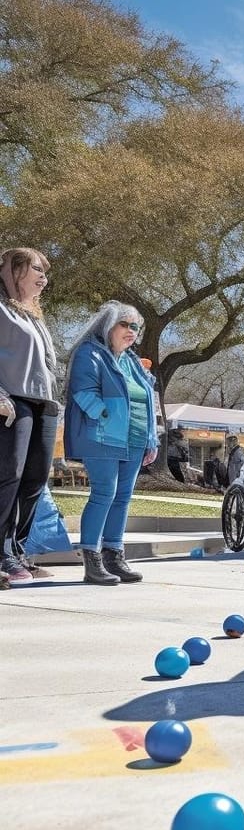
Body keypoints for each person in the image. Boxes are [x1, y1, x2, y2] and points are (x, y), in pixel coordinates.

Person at [64, 302, 159, 584]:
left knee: (122, 498)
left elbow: (145, 398)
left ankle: (114, 556)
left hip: (136, 438)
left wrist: (151, 437)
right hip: (103, 436)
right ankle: (92, 559)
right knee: (104, 493)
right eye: (125, 325)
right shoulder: (90, 353)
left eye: (135, 327)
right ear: (108, 326)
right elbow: (83, 392)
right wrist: (104, 416)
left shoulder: (130, 360)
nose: (131, 332)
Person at [0, 247, 59, 585]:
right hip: (13, 399)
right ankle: (2, 554)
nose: (44, 277)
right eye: (37, 268)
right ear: (12, 268)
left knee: (34, 480)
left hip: (44, 404)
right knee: (9, 475)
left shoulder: (32, 314)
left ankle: (15, 550)